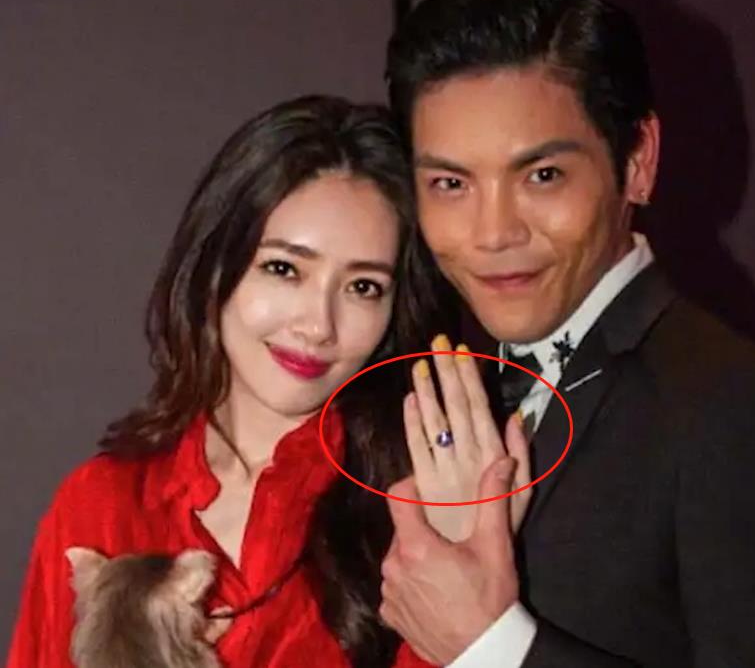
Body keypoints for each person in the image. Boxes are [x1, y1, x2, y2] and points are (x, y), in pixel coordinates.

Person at [378, 0, 755, 667]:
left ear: (637, 161)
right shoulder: (456, 388)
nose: (493, 233)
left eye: (542, 176)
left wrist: (492, 648)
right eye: (451, 183)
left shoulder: (746, 407)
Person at [7, 95, 528, 668]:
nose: (318, 325)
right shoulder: (99, 509)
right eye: (284, 269)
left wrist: (459, 575)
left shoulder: (427, 503)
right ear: (216, 268)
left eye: (363, 287)